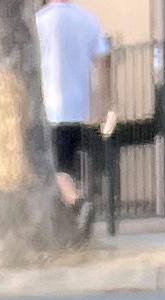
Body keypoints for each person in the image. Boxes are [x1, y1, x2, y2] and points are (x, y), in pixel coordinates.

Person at [37, 0, 114, 217]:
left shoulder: (39, 22)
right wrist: (104, 105)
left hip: (48, 108)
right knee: (66, 165)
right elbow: (102, 62)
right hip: (78, 108)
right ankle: (71, 213)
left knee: (54, 169)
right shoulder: (88, 20)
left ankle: (79, 203)